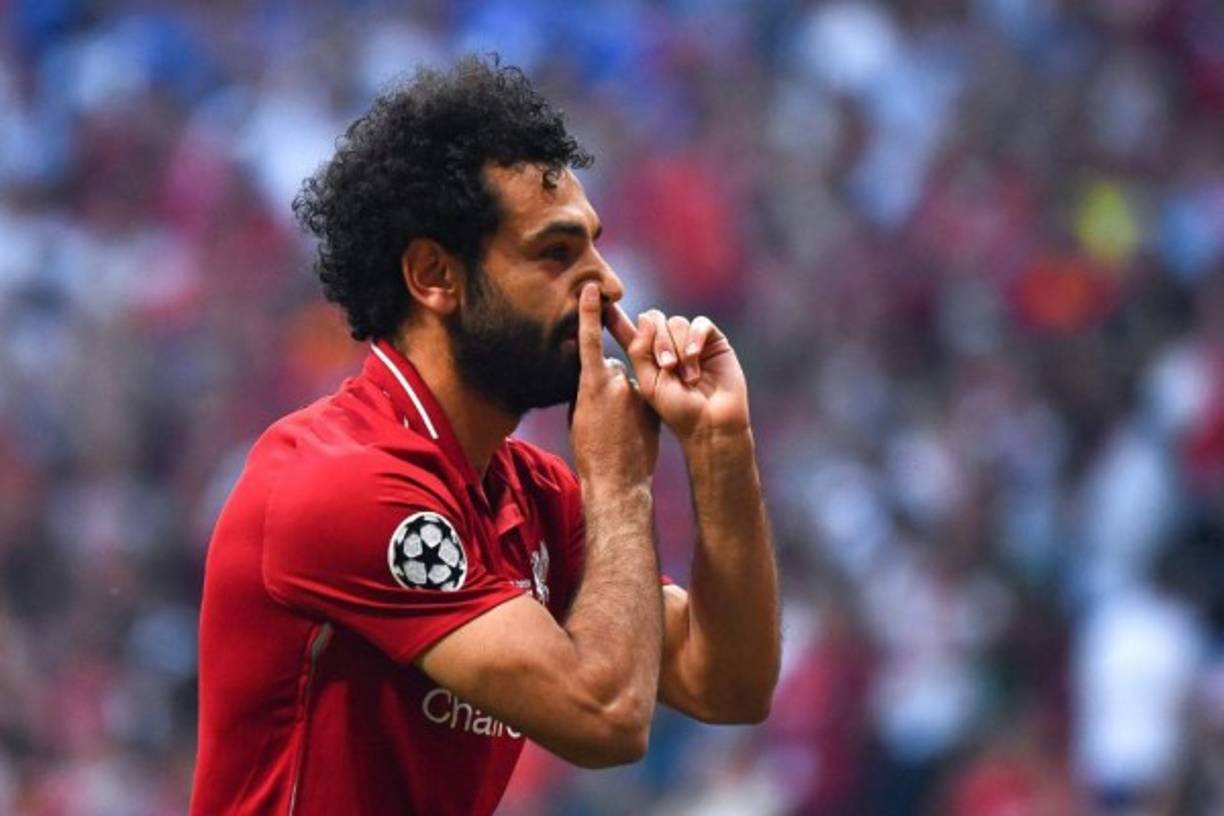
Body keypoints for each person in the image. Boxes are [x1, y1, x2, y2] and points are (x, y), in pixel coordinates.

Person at [190, 56, 779, 816]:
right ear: (435, 275)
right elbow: (605, 716)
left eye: (595, 246)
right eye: (557, 253)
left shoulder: (527, 494)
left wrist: (721, 450)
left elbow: (727, 683)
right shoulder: (337, 483)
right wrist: (620, 482)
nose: (609, 283)